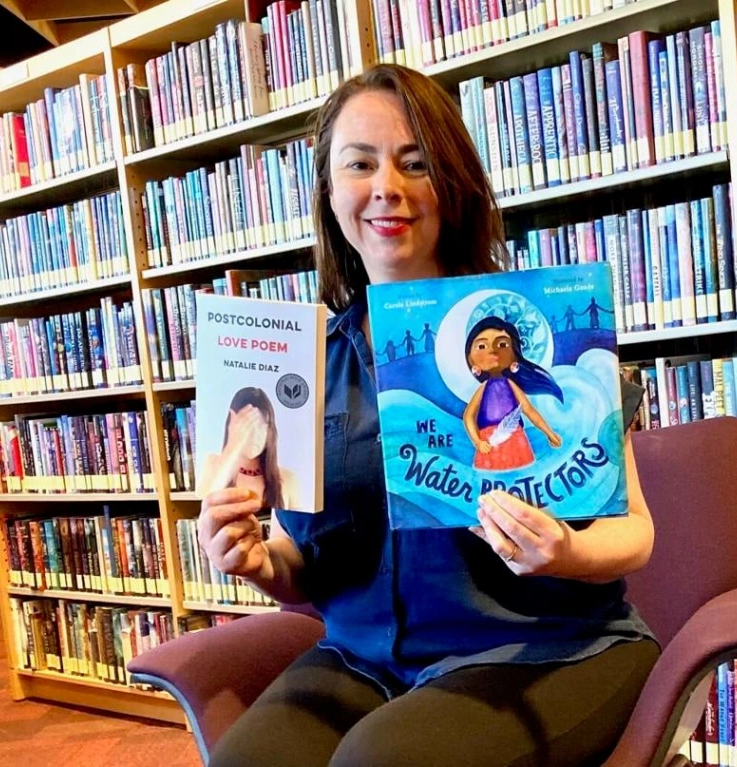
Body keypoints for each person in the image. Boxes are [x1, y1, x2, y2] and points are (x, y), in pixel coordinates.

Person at [197, 64, 657, 767]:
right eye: (361, 163)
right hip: (364, 659)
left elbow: (636, 534)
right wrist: (257, 562)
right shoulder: (304, 365)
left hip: (542, 646)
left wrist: (566, 550)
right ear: (329, 190)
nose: (388, 187)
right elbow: (305, 565)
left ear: (453, 186)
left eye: (417, 164)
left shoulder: (549, 330)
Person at [463, 315, 563, 470]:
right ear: (471, 360)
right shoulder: (483, 388)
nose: (492, 351)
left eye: (502, 344)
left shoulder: (510, 385)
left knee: (522, 475)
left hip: (515, 441)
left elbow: (529, 410)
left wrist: (549, 433)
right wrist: (478, 442)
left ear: (514, 354)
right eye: (482, 346)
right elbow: (468, 416)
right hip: (489, 443)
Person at [198, 386, 301, 512]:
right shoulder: (213, 464)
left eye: (263, 426)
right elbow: (205, 517)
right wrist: (233, 447)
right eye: (248, 424)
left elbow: (298, 528)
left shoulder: (288, 479)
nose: (256, 435)